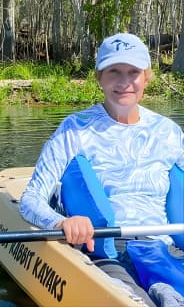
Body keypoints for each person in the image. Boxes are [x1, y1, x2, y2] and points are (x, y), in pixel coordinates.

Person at [19, 33, 184, 307]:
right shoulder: (74, 129)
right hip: (108, 252)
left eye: (133, 72)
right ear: (99, 77)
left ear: (147, 77)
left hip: (163, 249)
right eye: (114, 72)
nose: (124, 82)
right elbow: (31, 200)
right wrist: (62, 223)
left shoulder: (168, 131)